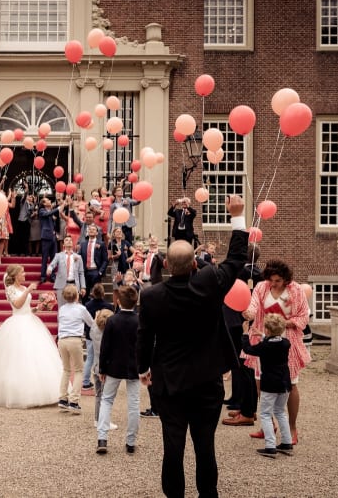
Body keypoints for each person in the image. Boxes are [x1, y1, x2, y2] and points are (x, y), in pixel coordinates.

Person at [137, 194, 247, 498]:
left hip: (170, 383)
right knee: (204, 446)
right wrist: (237, 216)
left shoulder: (151, 296)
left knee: (173, 448)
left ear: (167, 264)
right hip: (207, 381)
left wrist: (143, 368)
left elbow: (144, 336)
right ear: (195, 264)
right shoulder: (210, 281)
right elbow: (237, 260)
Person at [242, 259, 311, 446]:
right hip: (262, 339)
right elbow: (254, 305)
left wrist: (283, 323)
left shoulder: (295, 290)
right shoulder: (261, 288)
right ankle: (268, 425)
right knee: (259, 382)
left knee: (290, 384)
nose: (273, 284)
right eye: (271, 280)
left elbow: (304, 315)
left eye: (278, 281)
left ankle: (292, 428)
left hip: (286, 342)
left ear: (285, 279)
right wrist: (248, 312)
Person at [0, 264, 61, 408]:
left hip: (30, 320)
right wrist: (28, 289)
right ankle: (17, 392)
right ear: (15, 275)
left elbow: (26, 308)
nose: (25, 275)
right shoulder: (10, 289)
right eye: (22, 273)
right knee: (17, 356)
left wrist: (38, 307)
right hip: (17, 323)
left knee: (35, 356)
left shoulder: (22, 288)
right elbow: (16, 305)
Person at [241, 314, 294, 458]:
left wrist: (246, 333)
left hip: (270, 384)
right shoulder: (285, 343)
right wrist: (263, 334)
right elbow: (274, 341)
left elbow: (248, 349)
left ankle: (270, 446)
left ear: (269, 331)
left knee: (265, 413)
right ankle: (286, 442)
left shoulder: (264, 346)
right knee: (280, 412)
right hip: (284, 383)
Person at [96, 285, 141, 454]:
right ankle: (130, 441)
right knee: (134, 403)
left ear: (118, 301)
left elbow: (105, 346)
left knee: (107, 400)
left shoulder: (113, 320)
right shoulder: (139, 321)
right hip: (134, 366)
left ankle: (102, 438)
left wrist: (102, 368)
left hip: (114, 365)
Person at [222, 242, 263, 425]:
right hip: (247, 321)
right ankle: (246, 405)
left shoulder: (240, 272)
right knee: (244, 366)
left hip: (240, 322)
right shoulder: (258, 273)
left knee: (243, 365)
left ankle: (246, 410)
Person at [56, 284, 96, 414]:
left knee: (66, 369)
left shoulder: (62, 309)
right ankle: (74, 401)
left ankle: (62, 398)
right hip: (74, 339)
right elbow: (91, 323)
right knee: (79, 370)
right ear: (76, 295)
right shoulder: (81, 309)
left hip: (62, 339)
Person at [82, 282, 113, 391]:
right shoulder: (108, 306)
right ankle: (104, 378)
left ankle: (85, 381)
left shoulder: (87, 305)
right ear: (103, 293)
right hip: (105, 335)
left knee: (90, 358)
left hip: (91, 335)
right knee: (103, 357)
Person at [90, 309, 117, 430]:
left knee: (98, 395)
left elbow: (92, 326)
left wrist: (96, 318)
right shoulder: (109, 334)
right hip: (105, 368)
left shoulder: (94, 330)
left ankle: (97, 419)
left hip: (96, 366)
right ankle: (103, 421)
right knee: (105, 397)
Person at [47, 236, 86, 308]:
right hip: (61, 284)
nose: (69, 241)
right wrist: (49, 269)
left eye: (70, 240)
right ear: (63, 244)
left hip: (74, 284)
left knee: (74, 307)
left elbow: (81, 273)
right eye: (67, 240)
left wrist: (83, 287)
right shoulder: (58, 255)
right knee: (61, 307)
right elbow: (52, 264)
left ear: (73, 243)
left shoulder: (78, 257)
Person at [79, 224, 108, 302]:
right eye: (89, 229)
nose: (91, 230)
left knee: (97, 294)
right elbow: (79, 257)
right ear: (87, 232)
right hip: (85, 271)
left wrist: (100, 272)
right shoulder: (83, 244)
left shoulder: (101, 244)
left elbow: (105, 260)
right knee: (84, 294)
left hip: (96, 271)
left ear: (97, 233)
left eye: (93, 229)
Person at [107, 227, 133, 309]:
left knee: (125, 287)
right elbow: (109, 257)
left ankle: (125, 306)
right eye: (117, 232)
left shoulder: (126, 243)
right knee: (116, 288)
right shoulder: (111, 243)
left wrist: (131, 258)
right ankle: (116, 308)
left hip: (125, 265)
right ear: (114, 234)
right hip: (116, 266)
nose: (119, 233)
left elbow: (135, 252)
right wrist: (116, 256)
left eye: (120, 231)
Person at [38, 196, 60, 283]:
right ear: (43, 203)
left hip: (53, 237)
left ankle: (52, 275)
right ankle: (43, 276)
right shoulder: (42, 211)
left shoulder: (50, 212)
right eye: (47, 200)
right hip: (46, 237)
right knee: (45, 258)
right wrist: (57, 208)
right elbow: (47, 214)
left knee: (53, 258)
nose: (50, 201)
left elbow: (52, 224)